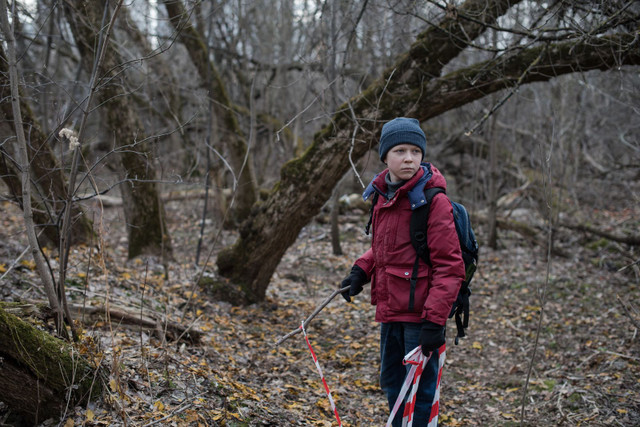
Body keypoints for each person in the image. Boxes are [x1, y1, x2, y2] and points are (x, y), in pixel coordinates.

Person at [340, 117, 465, 426]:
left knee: (420, 393)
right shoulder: (384, 195)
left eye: (415, 151)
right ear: (385, 156)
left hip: (422, 318)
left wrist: (434, 322)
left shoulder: (434, 203)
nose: (409, 158)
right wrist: (361, 270)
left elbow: (450, 267)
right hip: (390, 312)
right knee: (393, 383)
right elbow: (386, 249)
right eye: (400, 151)